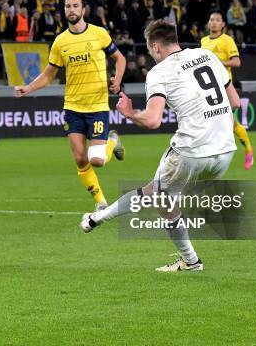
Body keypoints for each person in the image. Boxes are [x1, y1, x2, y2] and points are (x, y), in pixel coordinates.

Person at [81, 19, 241, 272]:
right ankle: (96, 218)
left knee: (156, 197)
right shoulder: (206, 55)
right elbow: (235, 102)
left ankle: (190, 261)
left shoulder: (159, 72)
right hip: (225, 152)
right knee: (159, 195)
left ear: (155, 46)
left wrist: (130, 112)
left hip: (192, 152)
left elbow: (153, 120)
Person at [14, 0, 127, 211]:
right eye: (67, 6)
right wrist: (27, 88)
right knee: (79, 158)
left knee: (97, 160)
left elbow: (120, 58)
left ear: (83, 10)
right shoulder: (60, 42)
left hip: (96, 106)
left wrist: (118, 80)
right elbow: (48, 75)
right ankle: (101, 202)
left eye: (75, 6)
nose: (71, 10)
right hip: (73, 107)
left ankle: (113, 141)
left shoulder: (99, 34)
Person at [201, 9, 254, 170]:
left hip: (224, 86)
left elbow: (236, 62)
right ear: (208, 23)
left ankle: (247, 149)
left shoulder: (227, 40)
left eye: (217, 20)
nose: (214, 22)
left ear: (223, 24)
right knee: (225, 122)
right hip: (207, 87)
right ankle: (246, 149)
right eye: (212, 19)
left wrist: (217, 62)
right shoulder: (203, 41)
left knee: (222, 121)